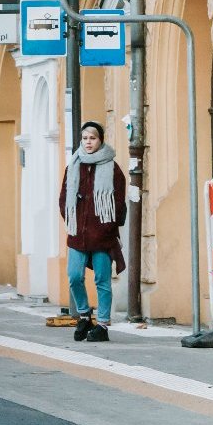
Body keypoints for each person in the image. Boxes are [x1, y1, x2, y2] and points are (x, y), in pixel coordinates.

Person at [60, 121, 127, 343]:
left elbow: (118, 201)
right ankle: (85, 315)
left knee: (102, 280)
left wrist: (108, 226)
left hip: (102, 234)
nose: (88, 142)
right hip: (78, 233)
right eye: (85, 138)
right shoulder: (73, 166)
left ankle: (103, 326)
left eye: (93, 138)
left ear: (101, 140)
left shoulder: (112, 167)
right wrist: (72, 219)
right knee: (74, 276)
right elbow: (64, 199)